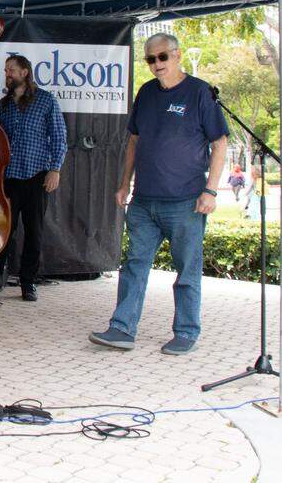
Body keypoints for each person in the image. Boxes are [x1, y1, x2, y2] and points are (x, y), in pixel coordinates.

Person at [90, 33, 227, 356]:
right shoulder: (146, 93)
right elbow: (134, 142)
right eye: (150, 59)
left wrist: (211, 190)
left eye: (162, 57)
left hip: (185, 202)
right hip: (144, 201)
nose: (156, 65)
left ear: (177, 55)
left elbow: (219, 143)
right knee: (135, 265)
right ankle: (121, 328)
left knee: (187, 270)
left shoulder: (199, 93)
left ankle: (186, 331)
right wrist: (125, 184)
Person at [0, 54, 67, 302]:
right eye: (5, 70)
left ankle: (28, 283)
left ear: (25, 72)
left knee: (34, 232)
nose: (7, 74)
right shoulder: (4, 105)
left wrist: (55, 169)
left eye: (11, 70)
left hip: (36, 176)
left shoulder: (46, 101)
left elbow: (59, 137)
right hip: (8, 176)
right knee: (2, 229)